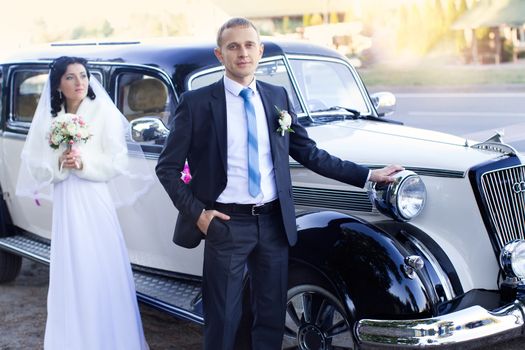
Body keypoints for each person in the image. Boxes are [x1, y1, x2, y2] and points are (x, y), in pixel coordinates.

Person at [156, 18, 403, 350]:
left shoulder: (277, 97)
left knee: (271, 316)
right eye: (233, 46)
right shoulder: (197, 104)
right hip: (226, 225)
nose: (242, 53)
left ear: (260, 51)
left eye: (248, 45)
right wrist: (199, 214)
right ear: (220, 54)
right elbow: (167, 169)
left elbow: (310, 153)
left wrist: (367, 175)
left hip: (274, 223)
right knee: (224, 318)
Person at [16, 56, 151, 350]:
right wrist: (60, 163)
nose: (80, 83)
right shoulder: (53, 115)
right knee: (71, 265)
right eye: (71, 77)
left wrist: (83, 163)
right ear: (58, 84)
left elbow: (118, 161)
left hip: (93, 195)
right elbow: (36, 163)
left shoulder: (102, 111)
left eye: (84, 75)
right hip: (66, 198)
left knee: (99, 263)